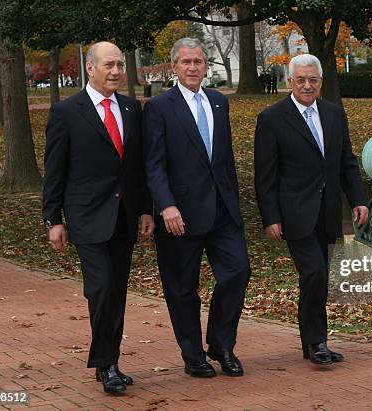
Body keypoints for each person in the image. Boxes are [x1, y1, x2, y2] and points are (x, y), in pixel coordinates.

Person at [42, 41, 155, 395]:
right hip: (86, 216)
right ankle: (105, 364)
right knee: (102, 286)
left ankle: (111, 361)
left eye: (120, 65)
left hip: (123, 217)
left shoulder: (131, 108)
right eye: (109, 65)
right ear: (89, 68)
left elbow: (138, 167)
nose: (116, 71)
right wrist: (53, 218)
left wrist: (145, 209)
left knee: (116, 291)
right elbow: (54, 170)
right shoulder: (66, 112)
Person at [143, 38, 250, 378]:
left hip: (222, 210)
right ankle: (193, 355)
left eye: (198, 62)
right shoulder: (159, 107)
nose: (192, 67)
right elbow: (153, 164)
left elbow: (225, 158)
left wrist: (234, 199)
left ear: (206, 67)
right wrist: (166, 205)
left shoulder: (219, 102)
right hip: (180, 214)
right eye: (186, 62)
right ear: (173, 67)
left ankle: (220, 344)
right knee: (181, 288)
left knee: (238, 272)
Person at [254, 54, 368, 366]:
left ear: (320, 82)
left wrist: (357, 199)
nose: (307, 85)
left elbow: (346, 160)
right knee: (314, 273)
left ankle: (313, 342)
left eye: (313, 80)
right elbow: (264, 176)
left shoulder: (333, 114)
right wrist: (271, 217)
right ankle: (317, 342)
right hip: (295, 213)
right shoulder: (272, 118)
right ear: (289, 82)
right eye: (301, 80)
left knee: (319, 278)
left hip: (328, 211)